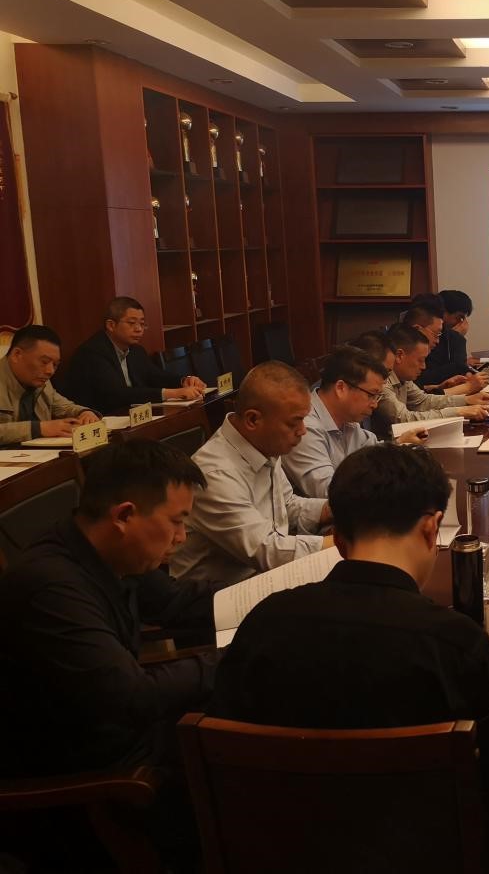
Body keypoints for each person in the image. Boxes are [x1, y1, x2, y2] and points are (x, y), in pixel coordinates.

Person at [209, 443, 489, 816]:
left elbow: (226, 752)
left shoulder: (265, 622)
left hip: (282, 836)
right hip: (429, 839)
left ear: (339, 539)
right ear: (431, 529)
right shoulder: (454, 642)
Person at [0, 440, 218, 779]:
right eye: (176, 522)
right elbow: (133, 697)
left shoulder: (109, 548)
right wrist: (232, 657)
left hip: (134, 734)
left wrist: (271, 600)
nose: (181, 537)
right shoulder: (52, 587)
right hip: (101, 776)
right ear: (124, 515)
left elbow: (175, 602)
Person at [170, 361, 332, 586]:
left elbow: (286, 505)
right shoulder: (215, 473)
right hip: (218, 595)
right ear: (253, 419)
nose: (303, 431)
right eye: (294, 423)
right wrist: (341, 543)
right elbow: (267, 550)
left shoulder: (264, 445)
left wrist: (336, 508)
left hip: (265, 576)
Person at [282, 345, 426, 497]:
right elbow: (330, 492)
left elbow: (373, 453)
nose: (375, 404)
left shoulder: (348, 420)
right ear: (341, 388)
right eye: (371, 395)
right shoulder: (305, 427)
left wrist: (401, 444)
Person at [60, 296, 206, 413]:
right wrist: (173, 393)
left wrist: (184, 381)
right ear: (111, 325)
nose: (139, 329)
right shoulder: (92, 353)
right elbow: (117, 394)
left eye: (142, 324)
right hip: (104, 418)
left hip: (133, 413)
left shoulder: (136, 351)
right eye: (131, 323)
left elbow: (156, 376)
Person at [371, 325, 489, 438]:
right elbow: (404, 419)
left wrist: (466, 400)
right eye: (420, 360)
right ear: (399, 356)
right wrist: (458, 412)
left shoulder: (403, 377)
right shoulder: (382, 382)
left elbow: (423, 401)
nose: (423, 366)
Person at [0, 324, 99, 443]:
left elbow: (64, 407)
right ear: (17, 355)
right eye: (44, 362)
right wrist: (40, 429)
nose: (50, 371)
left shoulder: (41, 382)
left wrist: (84, 413)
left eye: (55, 365)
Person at [420, 289, 480, 387]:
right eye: (459, 318)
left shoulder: (447, 337)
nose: (462, 323)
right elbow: (457, 370)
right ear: (443, 313)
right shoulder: (426, 337)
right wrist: (456, 337)